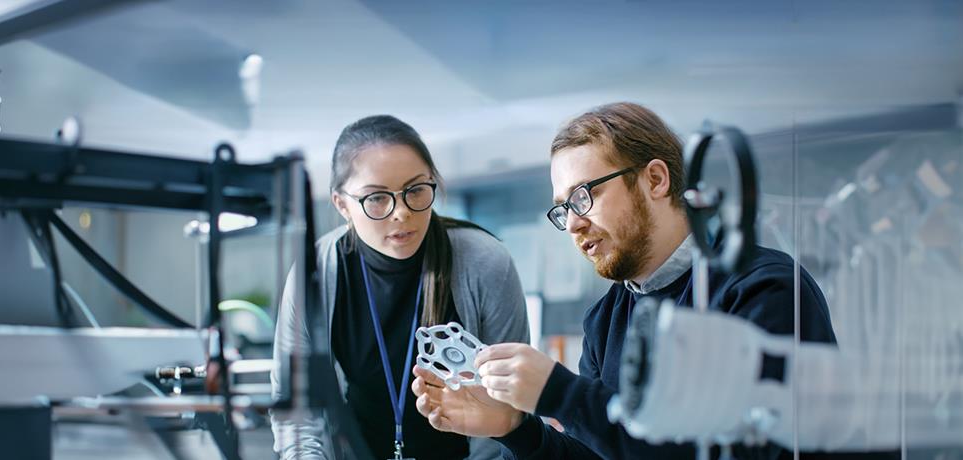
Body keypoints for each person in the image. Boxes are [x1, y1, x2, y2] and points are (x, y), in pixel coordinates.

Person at [410, 102, 846, 459]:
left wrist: (563, 394)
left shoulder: (763, 290)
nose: (574, 225)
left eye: (585, 196)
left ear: (655, 179)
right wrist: (517, 429)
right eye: (564, 209)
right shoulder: (605, 319)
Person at [271, 115, 531, 460]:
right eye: (377, 198)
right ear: (342, 204)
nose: (401, 213)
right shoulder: (316, 273)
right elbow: (297, 410)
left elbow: (508, 405)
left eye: (416, 190)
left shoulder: (484, 262)